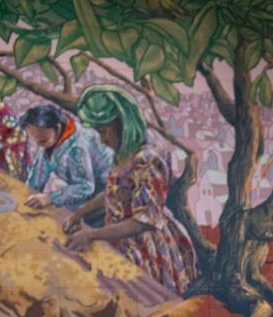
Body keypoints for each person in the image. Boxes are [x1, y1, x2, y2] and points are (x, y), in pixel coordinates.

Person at [64, 85, 196, 295]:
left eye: (104, 131)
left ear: (123, 125)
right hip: (118, 238)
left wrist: (91, 235)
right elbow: (113, 192)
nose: (102, 139)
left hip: (143, 247)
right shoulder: (122, 154)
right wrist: (79, 214)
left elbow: (143, 221)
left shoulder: (148, 159)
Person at [21, 104, 113, 216]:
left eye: (42, 141)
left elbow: (85, 187)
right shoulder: (50, 138)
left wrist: (50, 198)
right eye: (35, 140)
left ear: (58, 128)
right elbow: (38, 173)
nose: (38, 145)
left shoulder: (77, 147)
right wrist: (27, 194)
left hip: (103, 198)